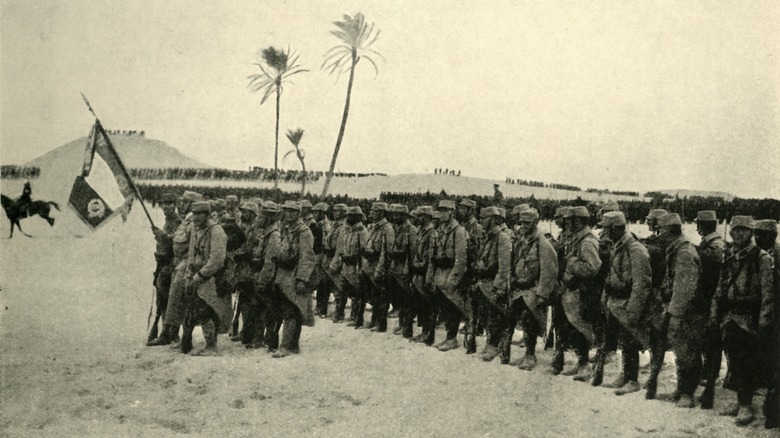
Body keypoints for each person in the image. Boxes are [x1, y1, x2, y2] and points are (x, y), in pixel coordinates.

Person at [711, 215, 774, 426]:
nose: (739, 234)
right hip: (730, 317)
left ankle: (746, 405)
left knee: (747, 363)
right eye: (736, 230)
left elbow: (768, 293)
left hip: (749, 319)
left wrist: (764, 320)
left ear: (751, 232)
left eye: (744, 230)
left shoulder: (762, 258)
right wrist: (714, 313)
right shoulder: (729, 257)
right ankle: (741, 402)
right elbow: (720, 288)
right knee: (734, 361)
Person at [595, 211, 653, 395]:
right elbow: (611, 276)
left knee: (630, 341)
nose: (603, 231)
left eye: (605, 227)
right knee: (623, 341)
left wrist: (633, 310)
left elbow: (642, 283)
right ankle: (625, 374)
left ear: (615, 228)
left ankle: (633, 380)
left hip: (628, 303)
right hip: (617, 302)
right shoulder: (618, 246)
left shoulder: (635, 249)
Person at [509, 208, 558, 369]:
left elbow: (549, 270)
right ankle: (527, 354)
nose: (523, 226)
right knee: (524, 321)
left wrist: (542, 294)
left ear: (536, 223)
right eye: (521, 222)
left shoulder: (542, 243)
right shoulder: (522, 240)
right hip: (521, 289)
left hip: (534, 290)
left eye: (527, 223)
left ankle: (531, 356)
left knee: (531, 321)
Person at [181, 201, 229, 356]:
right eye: (194, 214)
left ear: (206, 214)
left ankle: (211, 346)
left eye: (199, 214)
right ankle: (200, 343)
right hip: (197, 276)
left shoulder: (216, 231)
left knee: (208, 309)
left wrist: (200, 275)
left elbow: (217, 259)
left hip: (211, 277)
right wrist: (189, 274)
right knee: (197, 309)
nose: (195, 217)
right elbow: (191, 254)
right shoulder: (197, 229)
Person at [561, 206, 603, 381]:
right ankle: (582, 363)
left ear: (578, 221)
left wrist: (572, 264)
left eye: (570, 221)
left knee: (582, 329)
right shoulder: (578, 239)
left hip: (583, 292)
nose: (567, 224)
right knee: (576, 329)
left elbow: (592, 268)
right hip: (575, 291)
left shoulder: (586, 242)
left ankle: (585, 366)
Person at [427, 200, 472, 353]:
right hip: (440, 275)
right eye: (440, 210)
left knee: (453, 308)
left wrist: (453, 280)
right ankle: (448, 337)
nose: (442, 213)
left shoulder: (458, 230)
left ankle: (452, 339)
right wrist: (431, 277)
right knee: (445, 308)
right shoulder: (440, 229)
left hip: (451, 275)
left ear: (452, 212)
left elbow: (461, 259)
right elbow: (433, 257)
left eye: (445, 210)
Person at [272, 201, 316, 358]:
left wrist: (302, 279)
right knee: (289, 310)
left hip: (294, 276)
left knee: (291, 310)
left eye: (292, 211)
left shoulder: (304, 232)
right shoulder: (286, 229)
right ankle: (293, 345)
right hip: (284, 275)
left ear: (298, 213)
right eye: (286, 211)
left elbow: (307, 258)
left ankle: (285, 346)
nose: (288, 214)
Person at [163, 190, 202, 349]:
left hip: (186, 265)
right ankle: (174, 335)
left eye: (186, 202)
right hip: (179, 263)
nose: (182, 204)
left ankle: (185, 339)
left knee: (185, 303)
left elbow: (192, 247)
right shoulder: (186, 221)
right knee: (178, 302)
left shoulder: (194, 223)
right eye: (183, 201)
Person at [695, 210, 726, 409]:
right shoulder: (711, 243)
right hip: (710, 297)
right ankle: (708, 374)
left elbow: (711, 272)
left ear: (702, 225)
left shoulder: (714, 246)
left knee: (712, 341)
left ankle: (710, 377)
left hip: (711, 298)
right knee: (708, 340)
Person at [472, 206, 512, 362]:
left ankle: (495, 345)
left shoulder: (502, 237)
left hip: (493, 284)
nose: (481, 221)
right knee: (485, 315)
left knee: (495, 316)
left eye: (484, 218)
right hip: (484, 283)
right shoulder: (486, 236)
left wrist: (499, 286)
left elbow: (504, 266)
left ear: (493, 219)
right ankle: (491, 343)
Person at [147, 192, 183, 346]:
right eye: (164, 203)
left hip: (171, 265)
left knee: (169, 300)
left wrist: (162, 236)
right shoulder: (168, 221)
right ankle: (169, 333)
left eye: (170, 203)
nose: (166, 207)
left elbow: (176, 242)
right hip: (163, 264)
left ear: (175, 205)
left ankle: (168, 333)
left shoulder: (177, 221)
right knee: (162, 301)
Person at [754, 219, 779, 429]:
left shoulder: (776, 255)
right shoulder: (757, 254)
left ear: (773, 235)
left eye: (762, 234)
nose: (757, 237)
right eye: (756, 233)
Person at [251, 201, 283, 351]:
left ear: (269, 218)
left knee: (269, 310)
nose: (259, 218)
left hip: (267, 278)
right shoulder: (266, 233)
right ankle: (258, 339)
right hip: (260, 275)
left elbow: (270, 261)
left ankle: (270, 340)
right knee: (259, 308)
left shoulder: (274, 235)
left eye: (262, 216)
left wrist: (263, 281)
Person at [361, 202, 395, 332]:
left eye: (374, 211)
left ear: (381, 213)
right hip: (370, 267)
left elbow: (386, 252)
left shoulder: (387, 228)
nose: (371, 213)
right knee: (375, 296)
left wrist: (380, 270)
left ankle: (381, 324)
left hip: (379, 268)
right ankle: (375, 320)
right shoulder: (374, 227)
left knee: (382, 297)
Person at [387, 204, 418, 338]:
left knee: (407, 300)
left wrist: (408, 271)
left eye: (397, 215)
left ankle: (406, 324)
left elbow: (412, 253)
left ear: (404, 216)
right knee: (398, 298)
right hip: (395, 268)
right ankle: (401, 323)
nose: (395, 217)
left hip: (404, 269)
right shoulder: (395, 228)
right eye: (393, 215)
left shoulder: (411, 230)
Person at [232, 202, 260, 346]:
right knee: (243, 302)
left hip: (251, 270)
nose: (243, 214)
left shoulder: (256, 228)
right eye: (242, 211)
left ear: (253, 214)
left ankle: (251, 333)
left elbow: (253, 249)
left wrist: (242, 255)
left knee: (252, 302)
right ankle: (245, 331)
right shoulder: (244, 226)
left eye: (246, 212)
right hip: (243, 270)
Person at [337, 207, 369, 327]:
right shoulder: (349, 231)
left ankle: (355, 316)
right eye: (347, 216)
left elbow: (363, 252)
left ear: (358, 217)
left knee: (357, 293)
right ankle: (340, 314)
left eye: (351, 216)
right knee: (344, 291)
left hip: (356, 267)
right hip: (346, 267)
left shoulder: (362, 232)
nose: (348, 218)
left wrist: (361, 267)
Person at [409, 206, 437, 345]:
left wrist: (417, 267)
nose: (416, 218)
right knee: (421, 304)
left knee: (427, 306)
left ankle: (428, 334)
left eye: (419, 216)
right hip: (418, 273)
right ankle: (424, 333)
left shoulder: (431, 233)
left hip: (425, 274)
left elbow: (428, 258)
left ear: (426, 217)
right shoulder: (421, 231)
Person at [325, 204, 349, 322]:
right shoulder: (335, 225)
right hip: (330, 256)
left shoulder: (343, 227)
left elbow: (340, 247)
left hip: (336, 258)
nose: (334, 213)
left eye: (337, 211)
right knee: (334, 287)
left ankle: (339, 313)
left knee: (339, 287)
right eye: (334, 211)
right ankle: (337, 311)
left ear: (343, 213)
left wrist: (335, 263)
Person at [312, 202, 332, 318]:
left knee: (323, 283)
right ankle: (320, 307)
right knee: (320, 283)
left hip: (323, 256)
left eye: (316, 212)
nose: (314, 214)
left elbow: (325, 243)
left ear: (322, 213)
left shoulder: (325, 226)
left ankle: (322, 308)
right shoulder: (319, 224)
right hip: (319, 255)